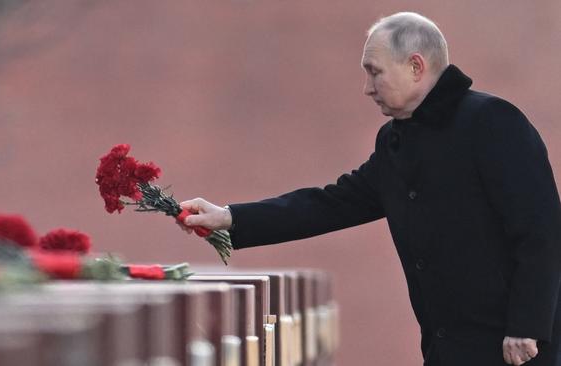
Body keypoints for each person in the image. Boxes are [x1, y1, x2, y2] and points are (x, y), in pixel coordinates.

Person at [178, 12, 561, 366]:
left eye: (374, 72)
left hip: (515, 349)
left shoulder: (492, 122)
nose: (367, 88)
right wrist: (230, 217)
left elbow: (542, 230)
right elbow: (331, 204)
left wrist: (527, 325)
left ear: (415, 66)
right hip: (448, 349)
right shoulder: (395, 141)